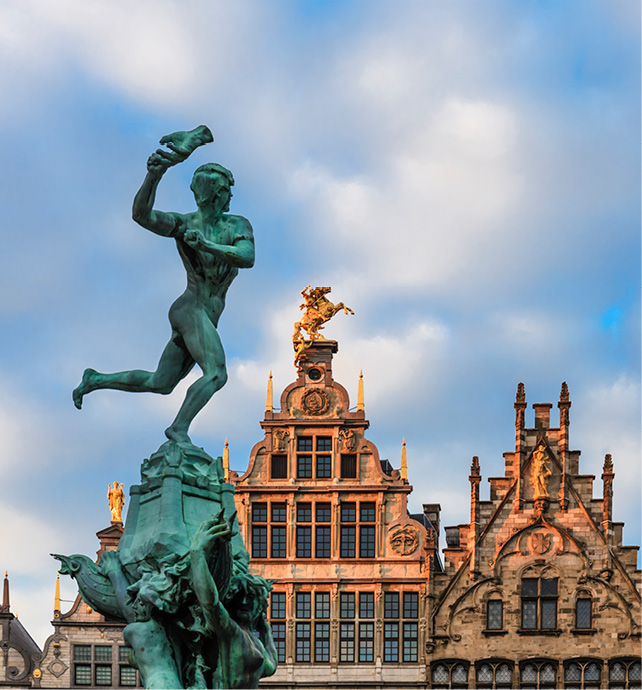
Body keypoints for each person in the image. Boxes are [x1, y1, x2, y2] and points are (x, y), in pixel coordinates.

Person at [72, 127, 255, 444]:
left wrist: (207, 246)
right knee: (216, 373)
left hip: (205, 315)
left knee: (161, 382)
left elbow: (247, 256)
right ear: (213, 193)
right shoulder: (183, 224)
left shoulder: (237, 224)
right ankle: (178, 429)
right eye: (226, 190)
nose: (231, 196)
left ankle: (95, 379)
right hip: (190, 309)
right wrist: (154, 176)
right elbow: (141, 215)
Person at [190, 517, 277, 689]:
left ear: (259, 605)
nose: (244, 601)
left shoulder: (255, 642)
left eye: (251, 597)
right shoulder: (229, 631)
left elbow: (271, 667)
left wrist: (266, 631)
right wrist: (197, 554)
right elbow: (210, 603)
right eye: (239, 596)